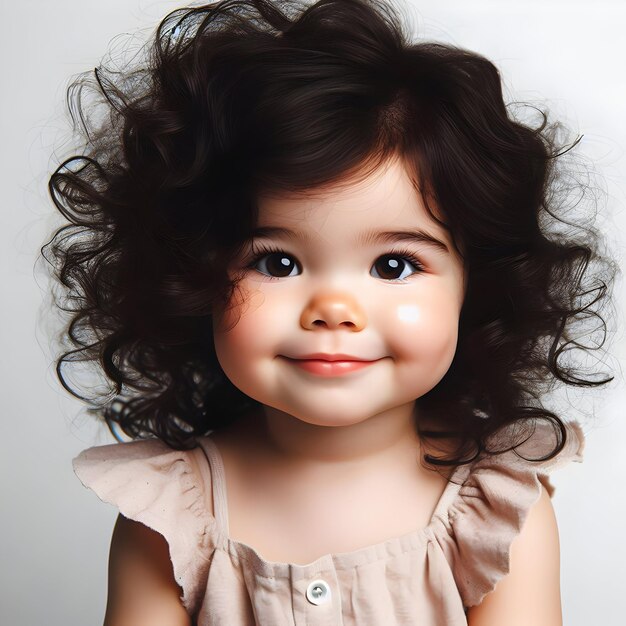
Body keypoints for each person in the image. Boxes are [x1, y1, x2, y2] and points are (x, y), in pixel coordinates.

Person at [42, 0, 616, 624]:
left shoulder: (498, 511)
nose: (334, 310)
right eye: (277, 263)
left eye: (394, 265)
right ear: (191, 276)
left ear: (476, 288)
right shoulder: (169, 518)